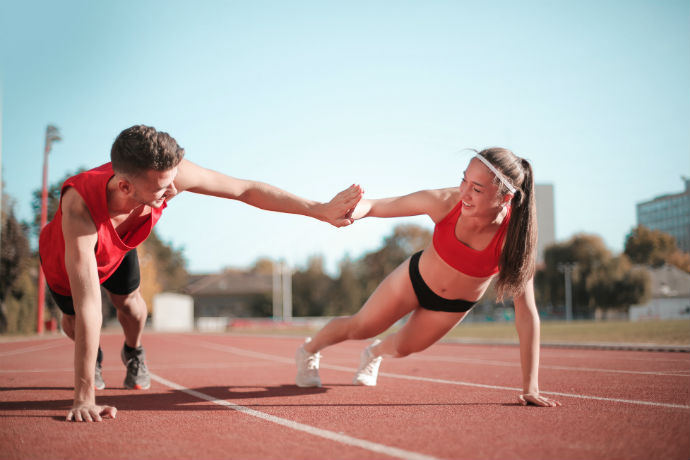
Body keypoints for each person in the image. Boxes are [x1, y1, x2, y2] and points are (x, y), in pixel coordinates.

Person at [39, 124, 363, 422]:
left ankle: (133, 352)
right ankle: (92, 358)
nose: (172, 192)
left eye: (172, 182)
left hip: (119, 247)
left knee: (132, 306)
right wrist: (84, 399)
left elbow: (245, 190)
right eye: (162, 189)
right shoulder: (79, 209)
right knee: (77, 322)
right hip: (66, 257)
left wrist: (317, 209)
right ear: (124, 186)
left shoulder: (169, 176)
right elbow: (89, 307)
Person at [295, 147, 560, 407]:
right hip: (414, 280)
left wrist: (530, 388)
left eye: (477, 189)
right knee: (362, 326)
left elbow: (526, 312)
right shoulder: (445, 201)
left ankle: (373, 354)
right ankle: (308, 350)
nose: (464, 193)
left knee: (403, 348)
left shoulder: (514, 239)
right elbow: (377, 206)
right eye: (463, 180)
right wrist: (347, 211)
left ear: (504, 198)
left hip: (452, 306)